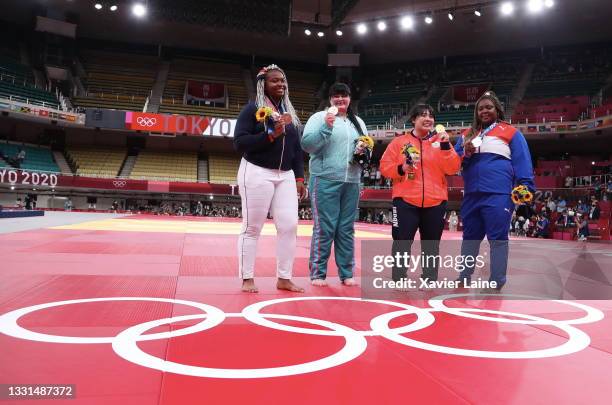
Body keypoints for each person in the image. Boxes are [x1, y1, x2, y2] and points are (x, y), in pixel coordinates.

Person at [233, 64, 307, 293]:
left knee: (289, 226)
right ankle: (247, 278)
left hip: (285, 175)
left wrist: (300, 177)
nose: (281, 84)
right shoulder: (252, 109)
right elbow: (240, 142)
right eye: (275, 81)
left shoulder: (289, 113)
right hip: (256, 171)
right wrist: (269, 136)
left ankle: (284, 278)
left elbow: (295, 149)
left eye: (283, 81)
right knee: (252, 228)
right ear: (263, 84)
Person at [454, 91, 535, 292]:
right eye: (480, 108)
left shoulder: (510, 132)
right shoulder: (466, 135)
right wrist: (465, 151)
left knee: (498, 238)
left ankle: (496, 280)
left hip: (498, 194)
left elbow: (522, 161)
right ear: (476, 112)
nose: (484, 111)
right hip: (472, 194)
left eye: (488, 107)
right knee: (469, 238)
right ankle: (464, 276)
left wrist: (525, 186)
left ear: (497, 109)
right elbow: (452, 162)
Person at [380, 104, 461, 286]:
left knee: (431, 244)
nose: (428, 119)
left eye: (431, 116)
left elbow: (454, 168)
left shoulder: (441, 143)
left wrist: (446, 146)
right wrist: (402, 168)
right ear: (413, 120)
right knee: (401, 241)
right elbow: (384, 167)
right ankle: (399, 278)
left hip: (435, 201)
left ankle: (430, 278)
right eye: (423, 115)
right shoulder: (398, 143)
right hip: (405, 201)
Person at [301, 82, 367, 287]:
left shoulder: (358, 123)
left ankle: (346, 272)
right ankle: (318, 273)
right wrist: (325, 128)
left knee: (346, 229)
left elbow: (365, 146)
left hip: (352, 181)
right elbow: (307, 145)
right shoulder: (318, 118)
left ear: (350, 99)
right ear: (329, 99)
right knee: (324, 228)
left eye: (344, 95)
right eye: (336, 96)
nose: (340, 99)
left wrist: (364, 152)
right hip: (325, 179)